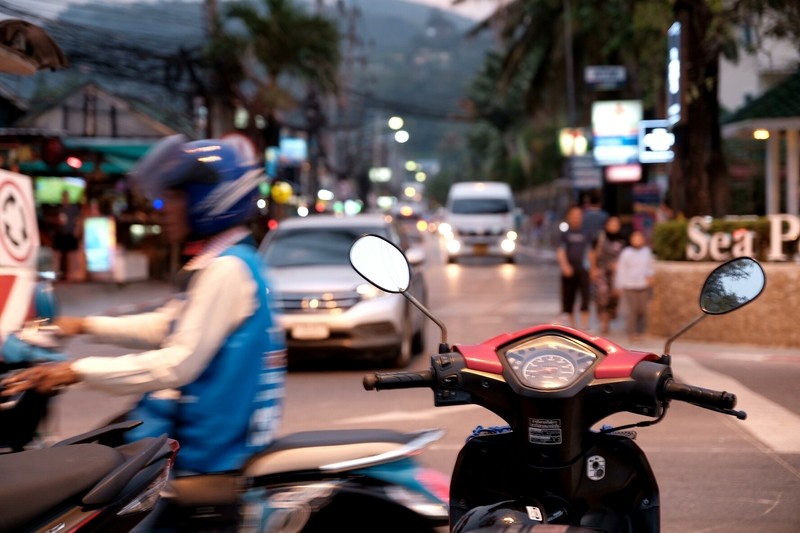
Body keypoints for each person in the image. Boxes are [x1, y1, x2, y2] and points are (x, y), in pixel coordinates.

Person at [1, 135, 287, 476]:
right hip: (187, 439)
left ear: (208, 200)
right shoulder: (225, 260)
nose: (164, 209)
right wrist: (84, 325)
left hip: (201, 456)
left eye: (176, 196)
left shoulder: (228, 269)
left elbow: (177, 363)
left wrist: (75, 371)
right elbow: (168, 326)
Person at [613, 230, 655, 341]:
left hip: (643, 285)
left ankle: (640, 330)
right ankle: (632, 332)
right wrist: (618, 285)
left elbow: (650, 267)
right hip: (629, 285)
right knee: (633, 310)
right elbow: (621, 270)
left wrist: (650, 277)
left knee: (642, 310)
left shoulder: (647, 252)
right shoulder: (626, 252)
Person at [589, 216, 627, 334]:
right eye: (611, 223)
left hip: (617, 274)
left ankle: (609, 320)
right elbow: (593, 253)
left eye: (616, 224)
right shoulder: (600, 238)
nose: (613, 226)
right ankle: (604, 322)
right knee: (602, 297)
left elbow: (626, 256)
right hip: (602, 273)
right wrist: (593, 268)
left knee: (614, 297)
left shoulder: (623, 240)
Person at [556, 205, 592, 330]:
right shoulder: (564, 235)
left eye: (578, 215)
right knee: (568, 299)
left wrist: (593, 268)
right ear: (569, 217)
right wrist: (565, 266)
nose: (576, 218)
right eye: (573, 215)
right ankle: (572, 326)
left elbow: (591, 252)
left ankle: (584, 325)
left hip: (584, 270)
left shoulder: (587, 233)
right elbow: (561, 251)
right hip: (569, 271)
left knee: (586, 298)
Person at [52, 189, 82, 281]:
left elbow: (78, 220)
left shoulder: (73, 209)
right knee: (57, 255)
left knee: (71, 256)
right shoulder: (59, 209)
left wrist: (77, 230)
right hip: (61, 235)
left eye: (66, 197)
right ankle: (56, 275)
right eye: (63, 197)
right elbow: (54, 220)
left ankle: (71, 276)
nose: (64, 199)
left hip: (70, 235)